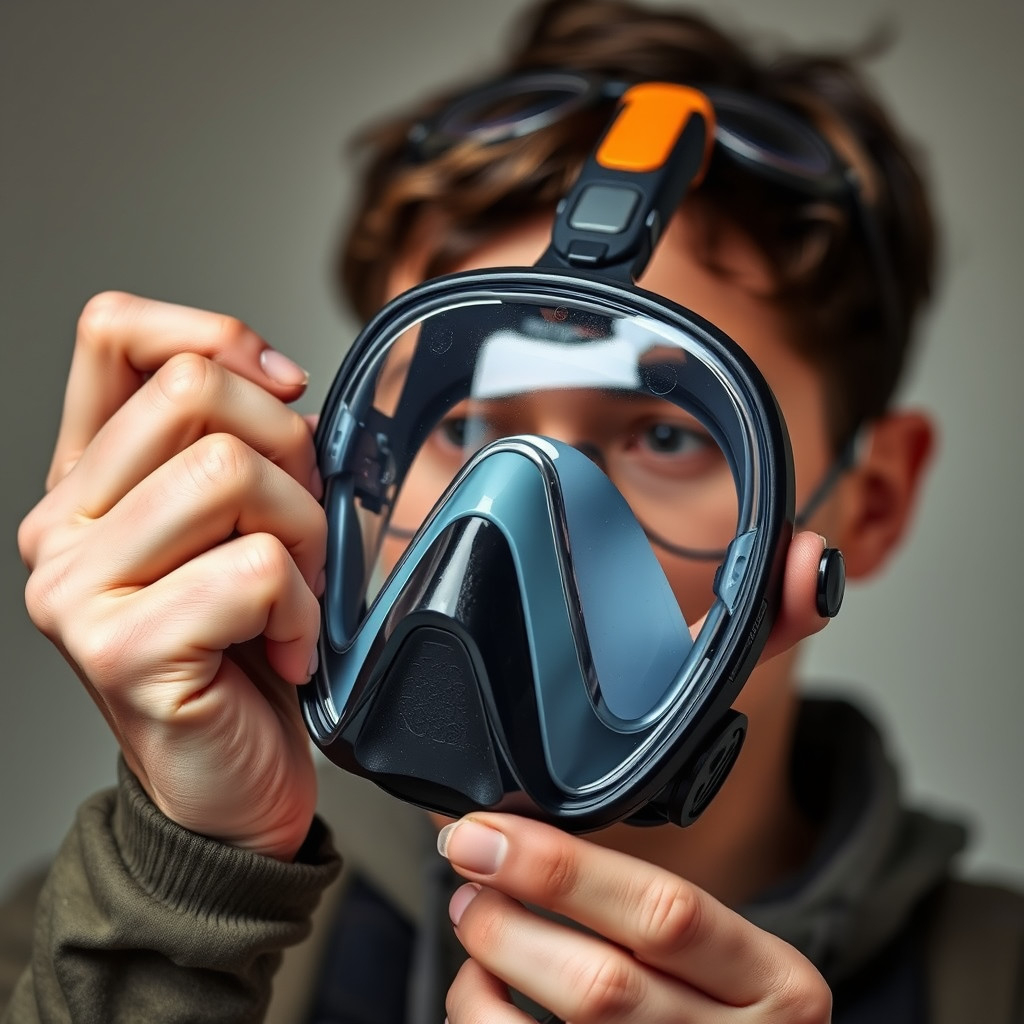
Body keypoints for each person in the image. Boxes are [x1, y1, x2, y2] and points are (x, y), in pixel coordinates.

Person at [3, 0, 1021, 1021]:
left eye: (665, 437)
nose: (506, 517)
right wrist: (179, 901)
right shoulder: (76, 951)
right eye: (464, 426)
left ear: (872, 501)